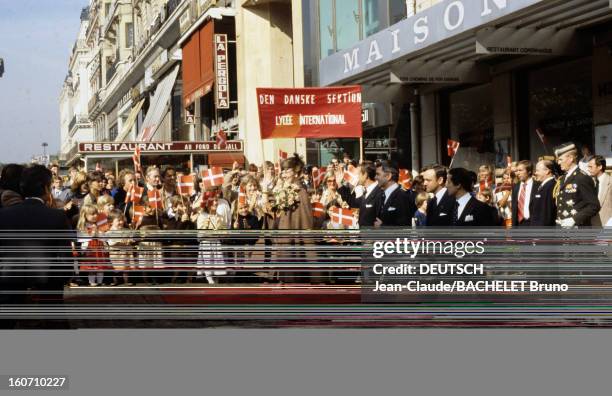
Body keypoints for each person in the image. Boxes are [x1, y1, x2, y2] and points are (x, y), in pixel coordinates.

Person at [0, 165, 73, 325]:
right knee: (55, 322)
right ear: (46, 188)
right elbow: (64, 256)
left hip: (10, 278)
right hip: (47, 280)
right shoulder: (56, 216)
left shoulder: (4, 215)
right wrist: (64, 278)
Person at [554, 142, 600, 228]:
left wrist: (574, 219)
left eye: (560, 159)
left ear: (570, 158)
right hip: (563, 227)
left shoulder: (582, 177)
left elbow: (594, 205)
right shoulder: (564, 178)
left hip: (577, 228)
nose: (558, 163)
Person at [374, 161, 415, 227]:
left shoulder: (402, 196)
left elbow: (404, 228)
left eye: (378, 174)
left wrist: (382, 227)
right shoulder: (380, 196)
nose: (375, 177)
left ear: (388, 176)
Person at [353, 161, 382, 227]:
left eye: (358, 174)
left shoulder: (380, 193)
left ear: (365, 175)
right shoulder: (365, 191)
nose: (357, 177)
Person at [511, 160, 540, 227]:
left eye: (520, 170)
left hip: (533, 224)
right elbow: (514, 208)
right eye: (517, 171)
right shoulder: (515, 187)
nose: (517, 173)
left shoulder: (538, 186)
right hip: (518, 225)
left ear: (529, 171)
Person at [531, 160, 557, 227]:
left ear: (547, 171)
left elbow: (546, 213)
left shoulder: (550, 186)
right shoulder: (544, 185)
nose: (535, 173)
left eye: (537, 170)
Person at [587, 155, 611, 227]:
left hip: (607, 226)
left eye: (591, 167)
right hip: (592, 226)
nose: (588, 169)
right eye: (588, 167)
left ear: (600, 167)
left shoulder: (610, 182)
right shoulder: (589, 182)